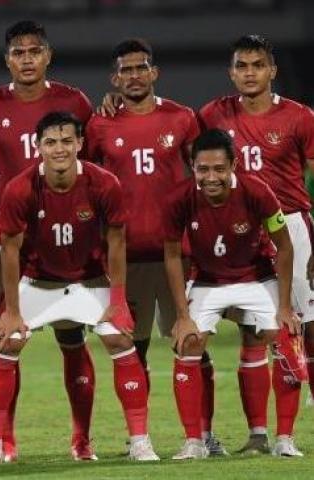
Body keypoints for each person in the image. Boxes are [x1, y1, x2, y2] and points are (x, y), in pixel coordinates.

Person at [0, 111, 159, 464]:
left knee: (120, 338)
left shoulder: (103, 183)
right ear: (38, 146)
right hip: (38, 282)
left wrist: (118, 301)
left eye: (66, 141)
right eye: (50, 142)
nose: (58, 149)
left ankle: (138, 441)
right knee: (6, 341)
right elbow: (9, 252)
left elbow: (117, 242)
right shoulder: (20, 188)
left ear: (79, 143)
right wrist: (12, 312)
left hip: (88, 281)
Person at [83, 39, 226, 453]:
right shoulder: (99, 125)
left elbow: (206, 175)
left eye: (140, 68)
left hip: (177, 254)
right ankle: (138, 438)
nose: (134, 75)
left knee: (194, 345)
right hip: (125, 257)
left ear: (154, 72)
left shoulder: (182, 118)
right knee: (134, 349)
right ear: (115, 78)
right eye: (125, 70)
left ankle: (204, 434)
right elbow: (86, 181)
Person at [0, 20, 96, 461]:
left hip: (69, 238)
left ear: (47, 56)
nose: (26, 59)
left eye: (34, 51)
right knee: (8, 338)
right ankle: (5, 439)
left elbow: (93, 159)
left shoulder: (73, 101)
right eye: (18, 52)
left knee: (72, 339)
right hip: (13, 239)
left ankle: (82, 438)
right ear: (8, 59)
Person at [198, 35, 314, 456]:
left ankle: (291, 430)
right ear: (232, 72)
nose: (250, 72)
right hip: (241, 231)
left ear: (272, 70)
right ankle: (263, 436)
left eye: (257, 65)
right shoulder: (213, 114)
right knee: (257, 330)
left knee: (304, 326)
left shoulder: (300, 117)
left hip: (293, 229)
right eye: (242, 66)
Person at [164, 128, 300, 459]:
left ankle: (283, 438)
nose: (210, 177)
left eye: (218, 169)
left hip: (257, 277)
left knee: (283, 337)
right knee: (188, 342)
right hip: (207, 280)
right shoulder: (179, 198)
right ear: (193, 167)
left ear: (233, 165)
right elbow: (171, 254)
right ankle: (194, 442)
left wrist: (284, 307)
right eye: (202, 169)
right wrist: (182, 317)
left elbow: (284, 247)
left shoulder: (257, 191)